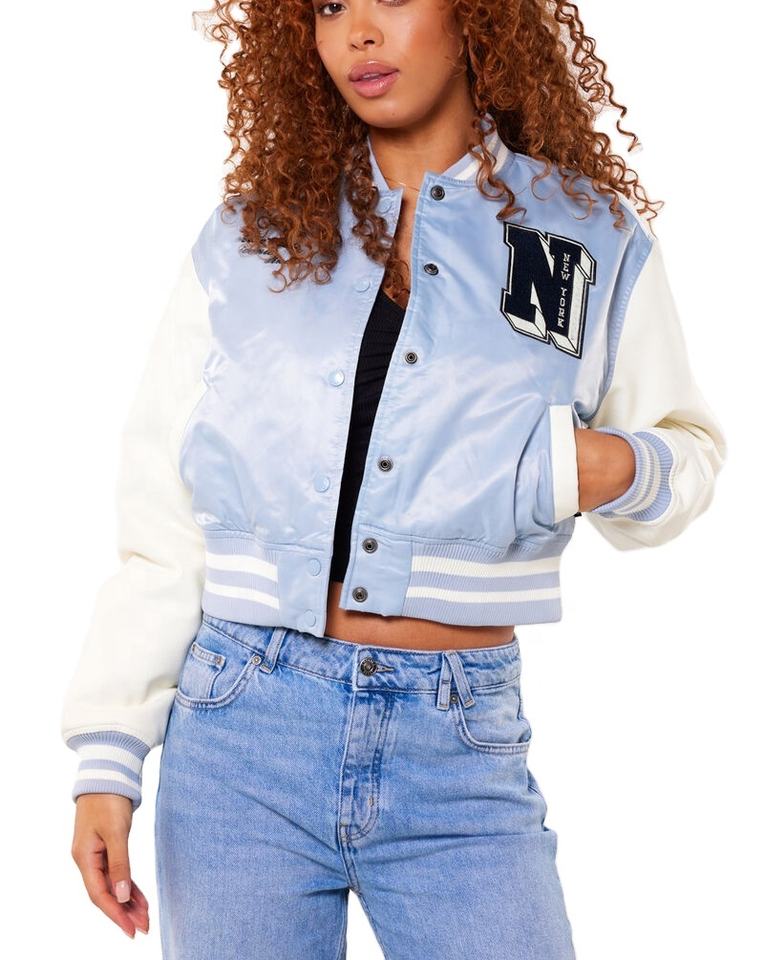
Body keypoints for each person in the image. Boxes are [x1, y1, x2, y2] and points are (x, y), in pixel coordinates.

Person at [60, 0, 727, 956]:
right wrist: (109, 754)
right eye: (330, 6)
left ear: (477, 16)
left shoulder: (585, 238)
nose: (358, 34)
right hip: (240, 733)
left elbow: (686, 451)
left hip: (459, 745)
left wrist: (605, 464)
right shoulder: (253, 235)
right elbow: (162, 508)